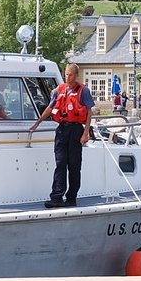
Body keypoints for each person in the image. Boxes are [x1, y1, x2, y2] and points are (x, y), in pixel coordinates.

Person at [30, 63, 94, 208]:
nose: (68, 77)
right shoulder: (60, 90)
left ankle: (71, 197)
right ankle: (57, 196)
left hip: (76, 129)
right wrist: (37, 123)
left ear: (76, 75)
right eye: (66, 74)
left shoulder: (83, 91)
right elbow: (51, 107)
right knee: (60, 163)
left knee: (74, 165)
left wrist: (85, 133)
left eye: (70, 74)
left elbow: (89, 111)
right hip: (62, 129)